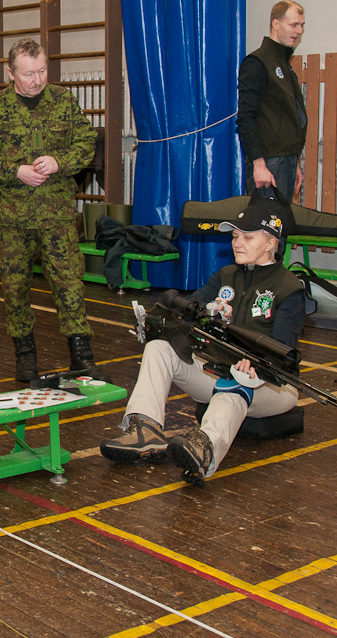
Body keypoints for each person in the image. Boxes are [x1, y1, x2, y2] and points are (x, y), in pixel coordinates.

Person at [100, 202, 306, 485]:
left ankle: (205, 448)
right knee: (159, 348)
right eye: (235, 236)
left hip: (272, 385)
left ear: (271, 243)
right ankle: (145, 429)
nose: (238, 243)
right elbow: (189, 311)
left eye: (248, 237)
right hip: (218, 368)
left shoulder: (290, 288)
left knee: (237, 381)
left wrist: (256, 364)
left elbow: (283, 349)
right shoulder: (225, 276)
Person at [0, 38, 97, 381]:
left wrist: (59, 161)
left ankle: (81, 353)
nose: (37, 79)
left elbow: (86, 143)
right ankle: (25, 353)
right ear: (11, 73)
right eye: (28, 74)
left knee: (69, 283)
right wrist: (14, 171)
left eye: (41, 71)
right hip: (12, 219)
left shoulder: (63, 101)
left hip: (56, 215)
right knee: (14, 286)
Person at [236, 0, 308, 199]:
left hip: (286, 160)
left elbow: (291, 118)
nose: (299, 30)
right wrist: (259, 164)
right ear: (276, 24)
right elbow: (245, 117)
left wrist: (296, 163)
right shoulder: (257, 62)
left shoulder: (284, 64)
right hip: (269, 162)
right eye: (293, 25)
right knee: (264, 229)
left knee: (279, 227)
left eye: (302, 25)